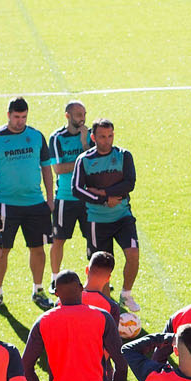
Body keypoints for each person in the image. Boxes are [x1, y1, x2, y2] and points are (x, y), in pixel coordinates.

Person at [0, 97, 56, 310]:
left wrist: (49, 198)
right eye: (16, 117)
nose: (20, 121)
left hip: (35, 203)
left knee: (38, 248)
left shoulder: (36, 136)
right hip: (5, 204)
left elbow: (46, 168)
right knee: (1, 250)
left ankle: (38, 289)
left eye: (24, 117)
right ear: (8, 115)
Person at [73, 119, 141, 313]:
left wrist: (103, 193)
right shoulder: (84, 160)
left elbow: (129, 183)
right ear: (93, 137)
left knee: (133, 254)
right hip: (97, 221)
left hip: (123, 217)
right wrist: (103, 200)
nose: (107, 140)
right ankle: (108, 308)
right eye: (102, 136)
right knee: (101, 268)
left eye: (110, 136)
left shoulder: (124, 155)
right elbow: (77, 189)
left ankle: (126, 294)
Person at [48, 101, 92, 288]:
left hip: (88, 197)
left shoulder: (90, 135)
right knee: (58, 239)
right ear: (67, 116)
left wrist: (84, 143)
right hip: (66, 197)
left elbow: (95, 164)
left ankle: (96, 276)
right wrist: (83, 159)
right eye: (77, 114)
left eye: (83, 114)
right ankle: (54, 279)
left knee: (93, 239)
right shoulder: (57, 138)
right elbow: (58, 168)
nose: (82, 118)